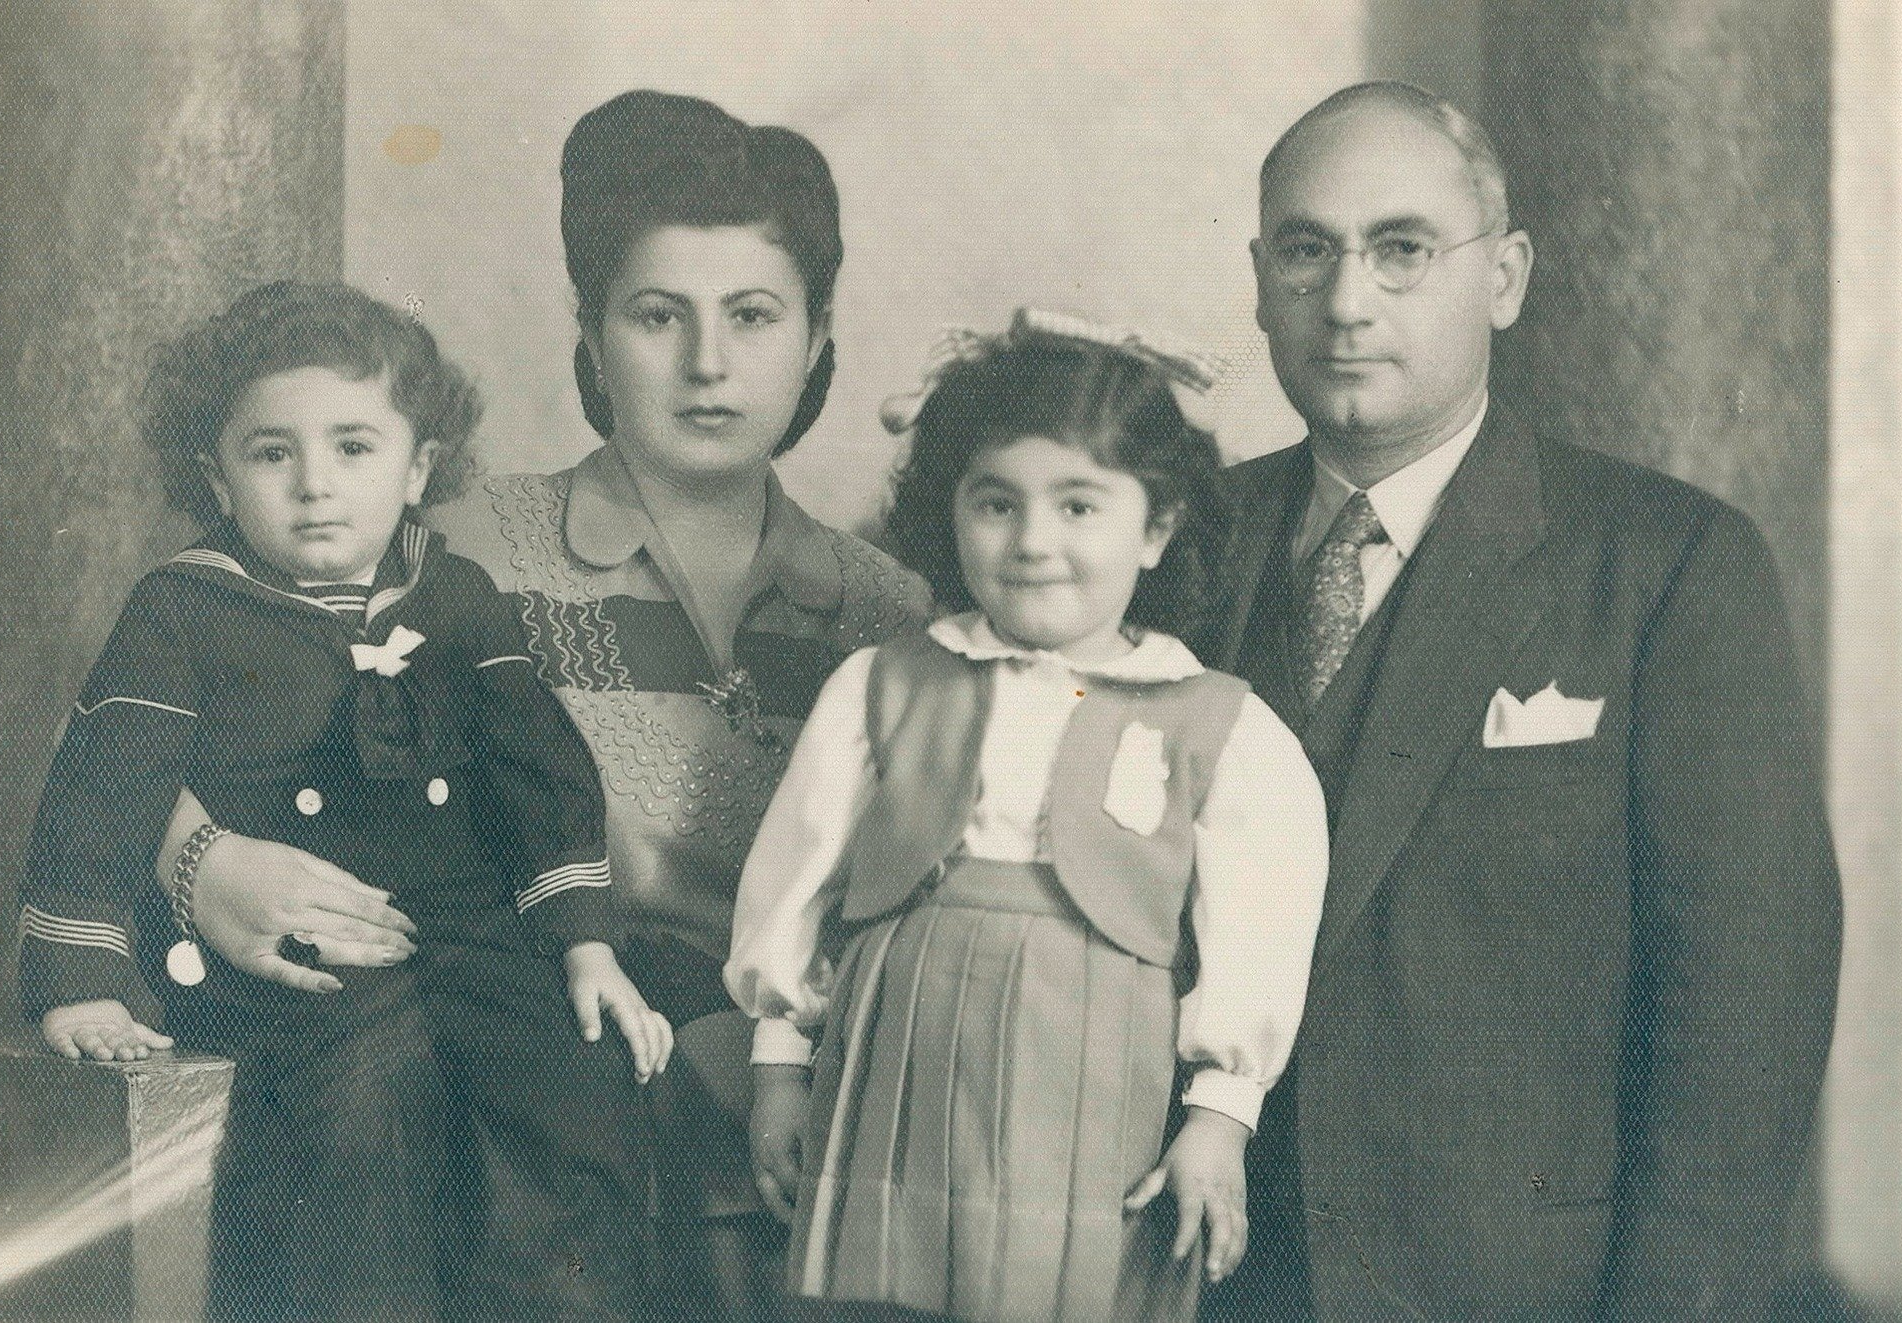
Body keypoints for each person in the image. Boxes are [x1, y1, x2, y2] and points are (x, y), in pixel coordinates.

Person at [180, 90, 935, 1317]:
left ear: (816, 334)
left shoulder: (891, 614)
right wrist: (203, 862)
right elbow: (154, 713)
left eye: (753, 315)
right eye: (657, 316)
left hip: (790, 1121)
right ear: (591, 333)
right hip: (504, 1127)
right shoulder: (462, 555)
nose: (707, 363)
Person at [1199, 82, 1845, 1322]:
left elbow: (1746, 1012)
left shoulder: (1669, 566)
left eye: (1402, 250)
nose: (1346, 301)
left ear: (1505, 276)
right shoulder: (1172, 551)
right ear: (1261, 278)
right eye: (1306, 251)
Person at [19, 281, 667, 1321]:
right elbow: (106, 782)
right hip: (292, 954)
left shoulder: (455, 597)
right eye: (272, 454)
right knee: (363, 1106)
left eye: (354, 450)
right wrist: (79, 977)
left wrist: (584, 943)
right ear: (216, 477)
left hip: (466, 928)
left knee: (570, 1072)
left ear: (418, 469)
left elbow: (538, 772)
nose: (315, 485)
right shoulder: (182, 607)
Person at [725, 311, 1330, 1323]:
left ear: (1158, 525)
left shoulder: (1220, 722)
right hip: (900, 1061)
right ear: (949, 514)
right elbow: (795, 882)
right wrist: (781, 1069)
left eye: (1080, 505)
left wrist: (1220, 1119)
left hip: (1096, 1078)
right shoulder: (880, 686)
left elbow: (1260, 944)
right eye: (996, 504)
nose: (1035, 542)